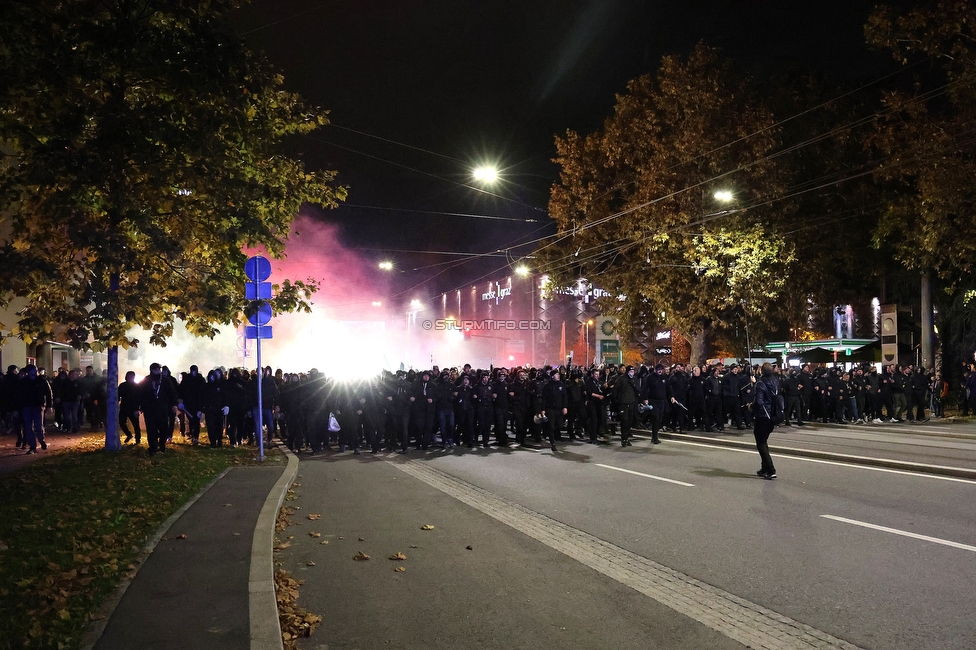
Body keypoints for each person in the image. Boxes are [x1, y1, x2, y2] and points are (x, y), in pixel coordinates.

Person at [139, 363, 182, 456]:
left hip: (162, 408)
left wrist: (174, 404)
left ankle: (162, 444)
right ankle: (153, 447)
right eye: (155, 370)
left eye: (159, 370)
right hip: (150, 409)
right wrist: (141, 406)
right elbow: (141, 394)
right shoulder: (146, 380)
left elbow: (172, 392)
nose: (158, 372)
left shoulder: (165, 380)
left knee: (163, 428)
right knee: (151, 429)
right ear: (151, 370)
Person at [752, 363, 781, 479]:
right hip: (773, 414)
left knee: (761, 443)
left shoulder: (760, 383)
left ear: (761, 371)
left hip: (763, 415)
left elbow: (759, 402)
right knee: (764, 440)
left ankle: (770, 469)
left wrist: (751, 408)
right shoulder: (776, 381)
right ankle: (764, 468)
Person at [18, 365, 53, 454]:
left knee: (38, 426)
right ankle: (32, 446)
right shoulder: (24, 382)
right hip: (27, 406)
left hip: (38, 406)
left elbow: (48, 393)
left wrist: (49, 405)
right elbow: (19, 395)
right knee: (28, 427)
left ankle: (41, 440)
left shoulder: (42, 380)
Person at [117, 371, 141, 443]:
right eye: (129, 376)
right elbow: (118, 395)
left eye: (132, 376)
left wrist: (138, 408)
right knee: (121, 422)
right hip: (124, 407)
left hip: (133, 408)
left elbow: (139, 398)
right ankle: (129, 434)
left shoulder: (137, 386)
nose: (130, 378)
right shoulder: (122, 385)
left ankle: (137, 439)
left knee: (136, 425)